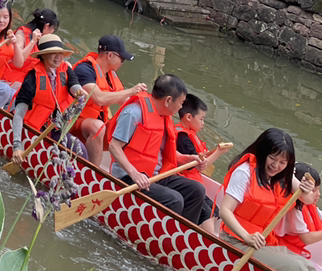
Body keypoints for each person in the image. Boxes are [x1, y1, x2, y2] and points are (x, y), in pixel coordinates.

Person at [216, 128, 319, 271]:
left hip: (260, 242)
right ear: (262, 152)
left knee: (308, 268)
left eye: (283, 162)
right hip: (235, 240)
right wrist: (247, 237)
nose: (276, 166)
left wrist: (307, 188)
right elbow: (225, 210)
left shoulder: (284, 176)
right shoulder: (244, 172)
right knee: (296, 268)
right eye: (272, 158)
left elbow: (307, 199)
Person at [106, 74, 206, 223]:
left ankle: (181, 231)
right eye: (181, 103)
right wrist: (134, 174)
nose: (181, 108)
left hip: (155, 175)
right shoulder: (134, 112)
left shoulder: (165, 117)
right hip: (129, 177)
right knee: (175, 199)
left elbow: (161, 151)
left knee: (197, 190)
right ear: (168, 100)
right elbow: (114, 146)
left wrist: (189, 159)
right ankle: (161, 231)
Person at [11, 35, 88, 162]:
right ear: (43, 55)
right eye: (53, 53)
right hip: (34, 128)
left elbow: (74, 85)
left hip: (55, 127)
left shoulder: (65, 69)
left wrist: (79, 92)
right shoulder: (33, 76)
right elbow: (19, 113)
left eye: (60, 53)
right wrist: (17, 146)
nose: (58, 57)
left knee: (81, 151)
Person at [72, 36, 146, 167]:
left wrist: (145, 110)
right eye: (122, 58)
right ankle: (92, 172)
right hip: (72, 123)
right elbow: (99, 98)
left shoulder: (110, 75)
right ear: (110, 55)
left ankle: (126, 170)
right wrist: (131, 91)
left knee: (133, 126)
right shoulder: (84, 70)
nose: (122, 63)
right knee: (98, 127)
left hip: (96, 123)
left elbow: (125, 101)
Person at [175, 93, 232, 223]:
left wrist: (215, 151)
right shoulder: (183, 138)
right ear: (189, 117)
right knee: (207, 213)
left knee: (216, 211)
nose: (203, 123)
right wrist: (218, 152)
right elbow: (200, 167)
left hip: (195, 182)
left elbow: (201, 160)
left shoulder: (190, 134)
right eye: (201, 119)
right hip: (188, 184)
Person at [5, 7, 58, 87]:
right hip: (11, 78)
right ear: (46, 26)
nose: (53, 31)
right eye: (53, 28)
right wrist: (33, 42)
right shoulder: (21, 33)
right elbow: (18, 62)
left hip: (30, 80)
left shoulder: (43, 40)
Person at [282, 164, 322, 258]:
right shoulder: (293, 208)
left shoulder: (310, 206)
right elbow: (306, 238)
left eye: (318, 190)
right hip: (285, 250)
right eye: (314, 190)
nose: (318, 194)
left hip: (300, 250)